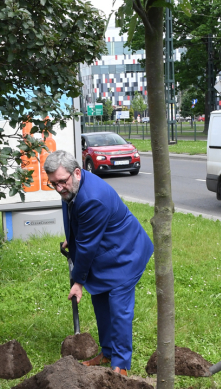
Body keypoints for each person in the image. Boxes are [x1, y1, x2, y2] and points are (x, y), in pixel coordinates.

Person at [45, 150, 153, 377]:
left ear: (77, 172)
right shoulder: (72, 186)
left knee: (119, 308)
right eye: (53, 183)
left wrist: (78, 282)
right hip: (106, 251)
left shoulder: (93, 198)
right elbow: (79, 223)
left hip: (126, 253)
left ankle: (120, 367)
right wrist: (72, 238)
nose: (59, 188)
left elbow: (87, 246)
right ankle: (108, 353)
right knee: (101, 300)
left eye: (62, 181)